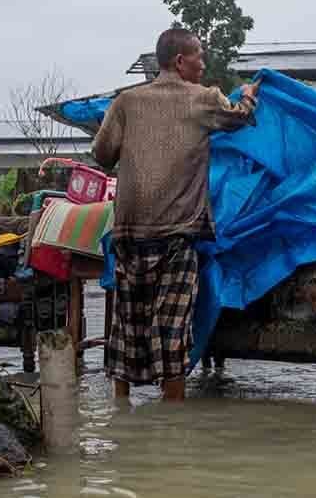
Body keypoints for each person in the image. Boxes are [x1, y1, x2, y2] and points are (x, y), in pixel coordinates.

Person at [92, 27, 259, 401]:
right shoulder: (203, 99)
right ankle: (172, 426)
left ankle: (123, 419)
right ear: (180, 61)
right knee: (171, 332)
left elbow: (102, 156)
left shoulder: (125, 102)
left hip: (129, 233)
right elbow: (239, 117)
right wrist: (249, 96)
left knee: (127, 328)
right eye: (199, 56)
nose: (203, 63)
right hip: (176, 236)